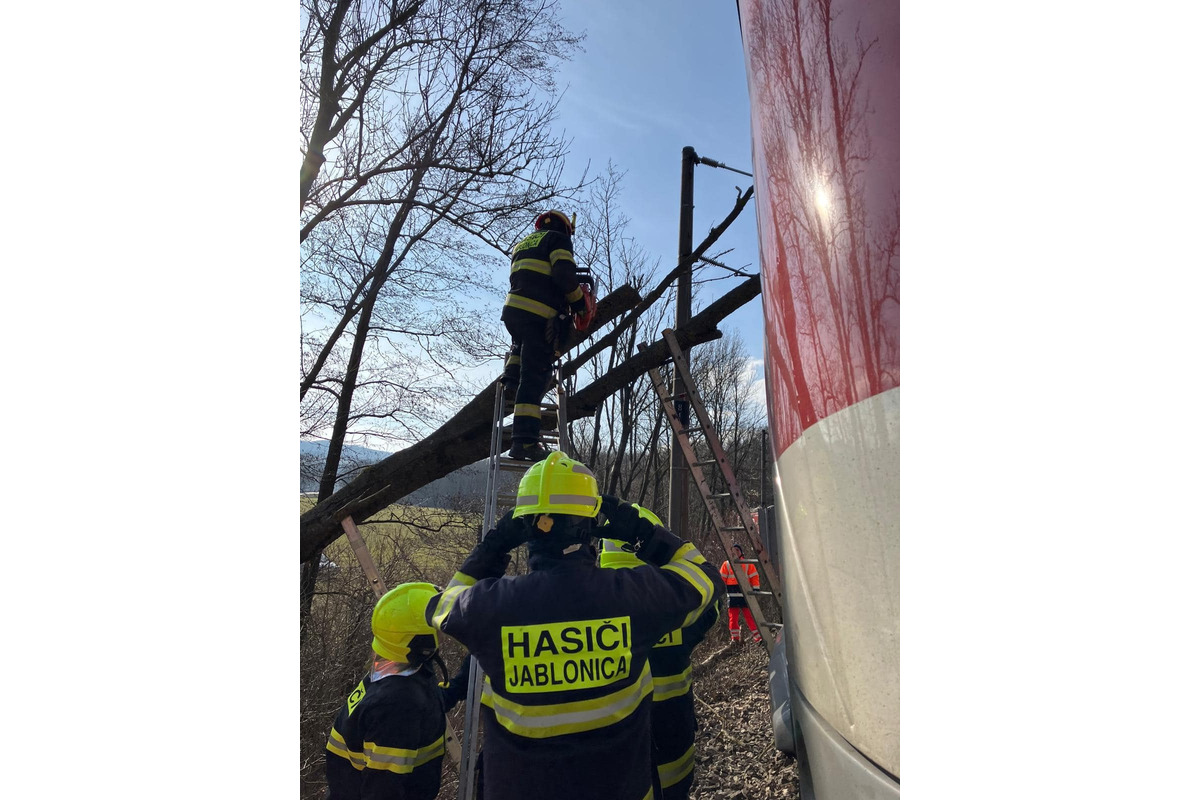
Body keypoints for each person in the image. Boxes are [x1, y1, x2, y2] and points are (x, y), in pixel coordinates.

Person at [425, 451, 724, 800]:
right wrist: (640, 531)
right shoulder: (631, 598)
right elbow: (705, 576)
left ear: (525, 525)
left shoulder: (493, 607)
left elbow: (442, 605)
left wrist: (495, 545)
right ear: (592, 525)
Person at [600, 523, 719, 800]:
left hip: (622, 767)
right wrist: (665, 549)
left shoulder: (595, 618)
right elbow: (710, 596)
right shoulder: (676, 613)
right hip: (675, 756)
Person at [325, 582, 453, 800]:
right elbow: (383, 789)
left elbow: (428, 705)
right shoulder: (397, 706)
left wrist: (459, 685)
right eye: (437, 626)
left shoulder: (400, 666)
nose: (444, 632)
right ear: (420, 642)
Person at [501, 209, 591, 461]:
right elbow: (563, 275)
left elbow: (533, 278)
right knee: (535, 378)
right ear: (565, 229)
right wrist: (579, 304)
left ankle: (511, 378)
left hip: (514, 312)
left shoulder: (524, 244)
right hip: (538, 316)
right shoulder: (558, 240)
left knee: (521, 347)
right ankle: (525, 442)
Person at [719, 544, 762, 644]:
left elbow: (754, 576)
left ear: (741, 552)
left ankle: (758, 638)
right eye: (733, 550)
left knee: (750, 617)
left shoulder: (747, 563)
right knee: (733, 618)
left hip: (746, 594)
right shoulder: (726, 564)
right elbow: (721, 579)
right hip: (732, 595)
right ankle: (735, 639)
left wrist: (756, 589)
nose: (735, 552)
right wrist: (719, 590)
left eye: (737, 550)